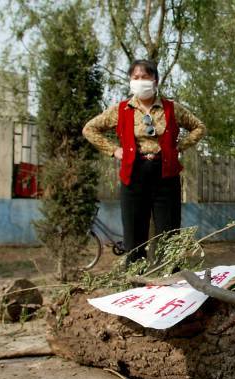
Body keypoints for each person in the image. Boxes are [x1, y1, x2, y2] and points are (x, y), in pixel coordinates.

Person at [83, 59, 206, 263]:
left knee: (169, 236)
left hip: (165, 176)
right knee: (134, 236)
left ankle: (169, 282)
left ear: (155, 80)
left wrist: (178, 147)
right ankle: (136, 284)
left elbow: (199, 127)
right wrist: (114, 150)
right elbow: (89, 129)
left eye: (145, 77)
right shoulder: (121, 109)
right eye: (135, 77)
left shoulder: (172, 108)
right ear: (131, 81)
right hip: (133, 176)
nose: (140, 81)